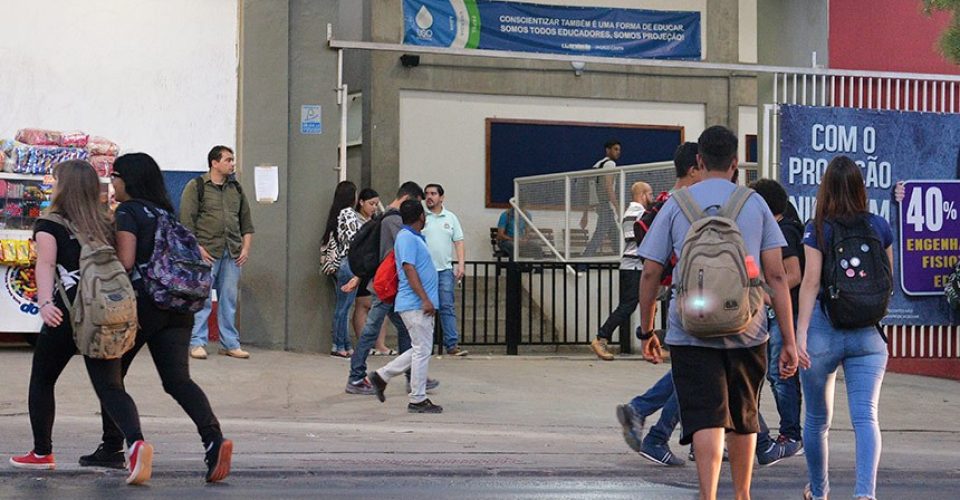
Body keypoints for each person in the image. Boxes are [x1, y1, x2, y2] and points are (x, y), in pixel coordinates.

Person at [636, 126, 798, 500]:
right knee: (745, 415)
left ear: (698, 160)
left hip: (690, 328)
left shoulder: (678, 203)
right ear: (736, 162)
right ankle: (742, 494)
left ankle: (707, 495)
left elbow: (650, 270)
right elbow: (775, 274)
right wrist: (789, 340)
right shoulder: (754, 204)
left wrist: (647, 331)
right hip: (748, 326)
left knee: (707, 417)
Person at [74, 153, 232, 482]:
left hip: (144, 306)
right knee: (178, 381)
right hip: (179, 307)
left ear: (128, 179)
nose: (113, 183)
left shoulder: (129, 212)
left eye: (115, 176)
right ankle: (213, 439)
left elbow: (127, 262)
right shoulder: (166, 214)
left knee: (109, 377)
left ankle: (127, 445)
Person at [9, 160, 153, 485]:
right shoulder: (106, 223)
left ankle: (42, 453)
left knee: (43, 380)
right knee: (111, 387)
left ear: (64, 187)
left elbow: (45, 265)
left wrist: (45, 304)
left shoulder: (50, 224)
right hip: (102, 317)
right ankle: (136, 444)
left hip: (65, 315)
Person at [796, 156, 892, 500]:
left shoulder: (818, 227)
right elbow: (886, 282)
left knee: (817, 421)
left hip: (824, 331)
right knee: (866, 418)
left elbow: (810, 283)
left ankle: (819, 492)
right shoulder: (879, 226)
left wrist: (800, 335)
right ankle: (865, 494)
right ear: (859, 187)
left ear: (825, 189)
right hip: (868, 334)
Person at [615, 142, 702, 467]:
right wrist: (646, 329)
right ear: (695, 168)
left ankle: (643, 414)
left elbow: (652, 268)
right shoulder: (681, 205)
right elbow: (650, 270)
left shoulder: (668, 203)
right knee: (698, 373)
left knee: (689, 372)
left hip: (683, 296)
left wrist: (647, 328)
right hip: (692, 299)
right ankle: (658, 433)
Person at [344, 182, 439, 395]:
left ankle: (412, 376)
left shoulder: (385, 216)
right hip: (388, 287)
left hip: (389, 286)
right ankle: (357, 376)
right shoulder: (396, 222)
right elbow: (404, 260)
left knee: (406, 333)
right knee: (372, 331)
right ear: (407, 199)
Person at [749, 179, 805, 466]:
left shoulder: (784, 232)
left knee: (781, 375)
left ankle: (791, 434)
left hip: (786, 313)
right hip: (776, 312)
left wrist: (767, 294)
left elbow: (792, 274)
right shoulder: (773, 229)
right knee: (774, 374)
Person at [368, 200, 443, 413]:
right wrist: (424, 299)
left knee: (420, 349)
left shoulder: (412, 237)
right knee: (422, 351)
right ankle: (417, 398)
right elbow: (408, 268)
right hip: (414, 303)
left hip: (415, 303)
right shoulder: (407, 238)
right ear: (422, 216)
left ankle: (382, 376)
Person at [180, 145, 254, 360]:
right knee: (201, 299)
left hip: (232, 254)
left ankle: (230, 343)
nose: (232, 164)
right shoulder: (196, 187)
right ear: (214, 163)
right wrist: (198, 249)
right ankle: (197, 342)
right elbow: (186, 223)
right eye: (228, 160)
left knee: (229, 300)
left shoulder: (236, 190)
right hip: (206, 254)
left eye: (232, 160)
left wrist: (246, 249)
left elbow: (246, 224)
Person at [591, 181, 654, 361]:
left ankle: (649, 344)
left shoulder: (629, 212)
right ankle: (601, 338)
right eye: (650, 194)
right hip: (635, 266)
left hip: (631, 265)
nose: (652, 198)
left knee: (647, 305)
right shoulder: (640, 213)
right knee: (628, 306)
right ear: (642, 195)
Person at [422, 184, 468, 356]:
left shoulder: (450, 218)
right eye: (427, 194)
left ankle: (452, 345)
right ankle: (427, 345)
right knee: (426, 308)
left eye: (433, 194)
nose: (429, 197)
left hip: (444, 270)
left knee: (447, 306)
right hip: (425, 271)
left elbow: (459, 241)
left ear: (441, 197)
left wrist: (461, 264)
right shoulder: (422, 217)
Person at [352, 188, 396, 356]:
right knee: (363, 304)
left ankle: (380, 344)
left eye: (376, 204)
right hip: (362, 265)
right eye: (371, 204)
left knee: (380, 304)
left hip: (376, 266)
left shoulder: (378, 220)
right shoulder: (356, 220)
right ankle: (364, 343)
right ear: (361, 202)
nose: (374, 207)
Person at [322, 181, 361, 357]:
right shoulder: (349, 214)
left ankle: (344, 344)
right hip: (350, 262)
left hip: (339, 264)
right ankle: (339, 345)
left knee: (342, 306)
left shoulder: (336, 213)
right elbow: (355, 240)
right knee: (344, 308)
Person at [582, 140, 622, 257]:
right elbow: (608, 187)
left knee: (615, 235)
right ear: (608, 150)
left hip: (597, 204)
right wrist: (617, 207)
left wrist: (585, 213)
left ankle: (621, 259)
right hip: (605, 204)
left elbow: (588, 190)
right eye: (615, 149)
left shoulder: (597, 164)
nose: (618, 152)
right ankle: (583, 261)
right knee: (599, 234)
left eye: (619, 150)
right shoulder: (610, 164)